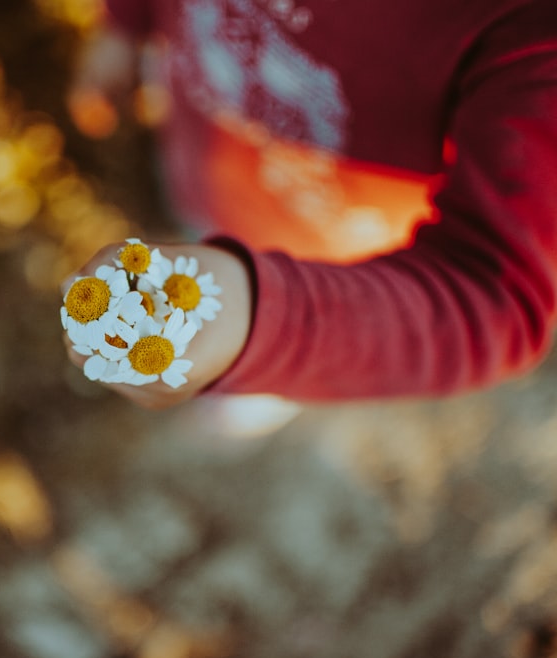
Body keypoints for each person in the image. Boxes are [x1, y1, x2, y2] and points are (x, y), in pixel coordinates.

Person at [63, 0, 557, 413]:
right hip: (198, 152)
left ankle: (250, 394)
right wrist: (125, 24)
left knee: (235, 361)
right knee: (193, 238)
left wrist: (264, 328)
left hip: (317, 282)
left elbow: (496, 292)